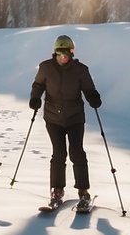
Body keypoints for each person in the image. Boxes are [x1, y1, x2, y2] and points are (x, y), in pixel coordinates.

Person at [29, 34, 101, 210]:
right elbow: (38, 85)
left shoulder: (81, 69)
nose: (63, 57)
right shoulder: (46, 67)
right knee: (59, 154)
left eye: (66, 53)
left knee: (76, 152)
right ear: (55, 52)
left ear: (71, 53)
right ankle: (57, 190)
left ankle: (83, 191)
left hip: (75, 117)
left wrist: (93, 98)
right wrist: (35, 98)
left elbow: (89, 88)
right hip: (53, 118)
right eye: (60, 53)